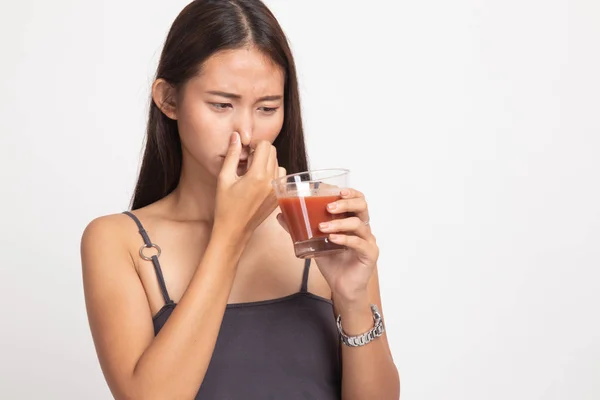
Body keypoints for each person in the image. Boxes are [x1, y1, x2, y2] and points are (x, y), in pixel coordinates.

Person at [81, 0, 400, 398]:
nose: (247, 133)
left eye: (267, 108)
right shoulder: (117, 241)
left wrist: (353, 300)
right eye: (221, 105)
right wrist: (231, 234)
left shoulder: (318, 225)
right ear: (169, 100)